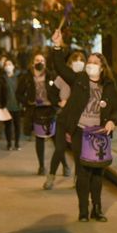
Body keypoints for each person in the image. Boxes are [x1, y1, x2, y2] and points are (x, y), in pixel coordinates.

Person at [51, 30, 117, 222]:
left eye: (95, 62)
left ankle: (97, 209)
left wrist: (111, 121)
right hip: (80, 132)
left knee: (98, 173)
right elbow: (59, 67)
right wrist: (57, 46)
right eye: (89, 62)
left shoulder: (108, 85)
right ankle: (83, 210)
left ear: (102, 67)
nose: (90, 65)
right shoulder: (79, 80)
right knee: (83, 172)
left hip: (99, 134)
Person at [43, 50, 86, 190]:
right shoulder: (62, 78)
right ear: (70, 63)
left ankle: (78, 178)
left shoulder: (85, 79)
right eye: (75, 60)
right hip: (63, 118)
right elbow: (51, 93)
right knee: (60, 149)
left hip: (78, 120)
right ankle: (51, 177)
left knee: (77, 151)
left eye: (81, 60)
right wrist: (58, 102)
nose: (78, 62)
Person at [17, 53, 61, 175]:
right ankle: (42, 166)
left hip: (51, 110)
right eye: (37, 60)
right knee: (39, 138)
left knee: (57, 139)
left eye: (42, 60)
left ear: (45, 63)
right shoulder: (26, 77)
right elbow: (19, 94)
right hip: (36, 110)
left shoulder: (51, 75)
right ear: (33, 62)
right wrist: (28, 102)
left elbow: (60, 90)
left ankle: (65, 165)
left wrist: (57, 102)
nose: (39, 62)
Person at [0, 59, 22, 150]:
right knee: (8, 126)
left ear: (13, 66)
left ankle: (17, 144)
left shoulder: (19, 77)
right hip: (7, 106)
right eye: (6, 64)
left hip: (17, 105)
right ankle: (9, 143)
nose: (8, 66)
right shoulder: (2, 78)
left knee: (17, 126)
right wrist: (0, 104)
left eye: (10, 64)